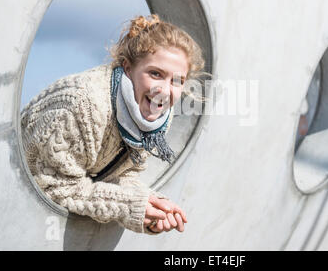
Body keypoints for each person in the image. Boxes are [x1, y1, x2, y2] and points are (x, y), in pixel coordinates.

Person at [20, 14, 208, 235]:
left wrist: (150, 207)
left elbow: (121, 173)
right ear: (127, 68)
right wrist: (127, 206)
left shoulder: (156, 119)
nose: (165, 91)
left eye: (177, 81)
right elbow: (54, 186)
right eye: (156, 74)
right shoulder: (85, 105)